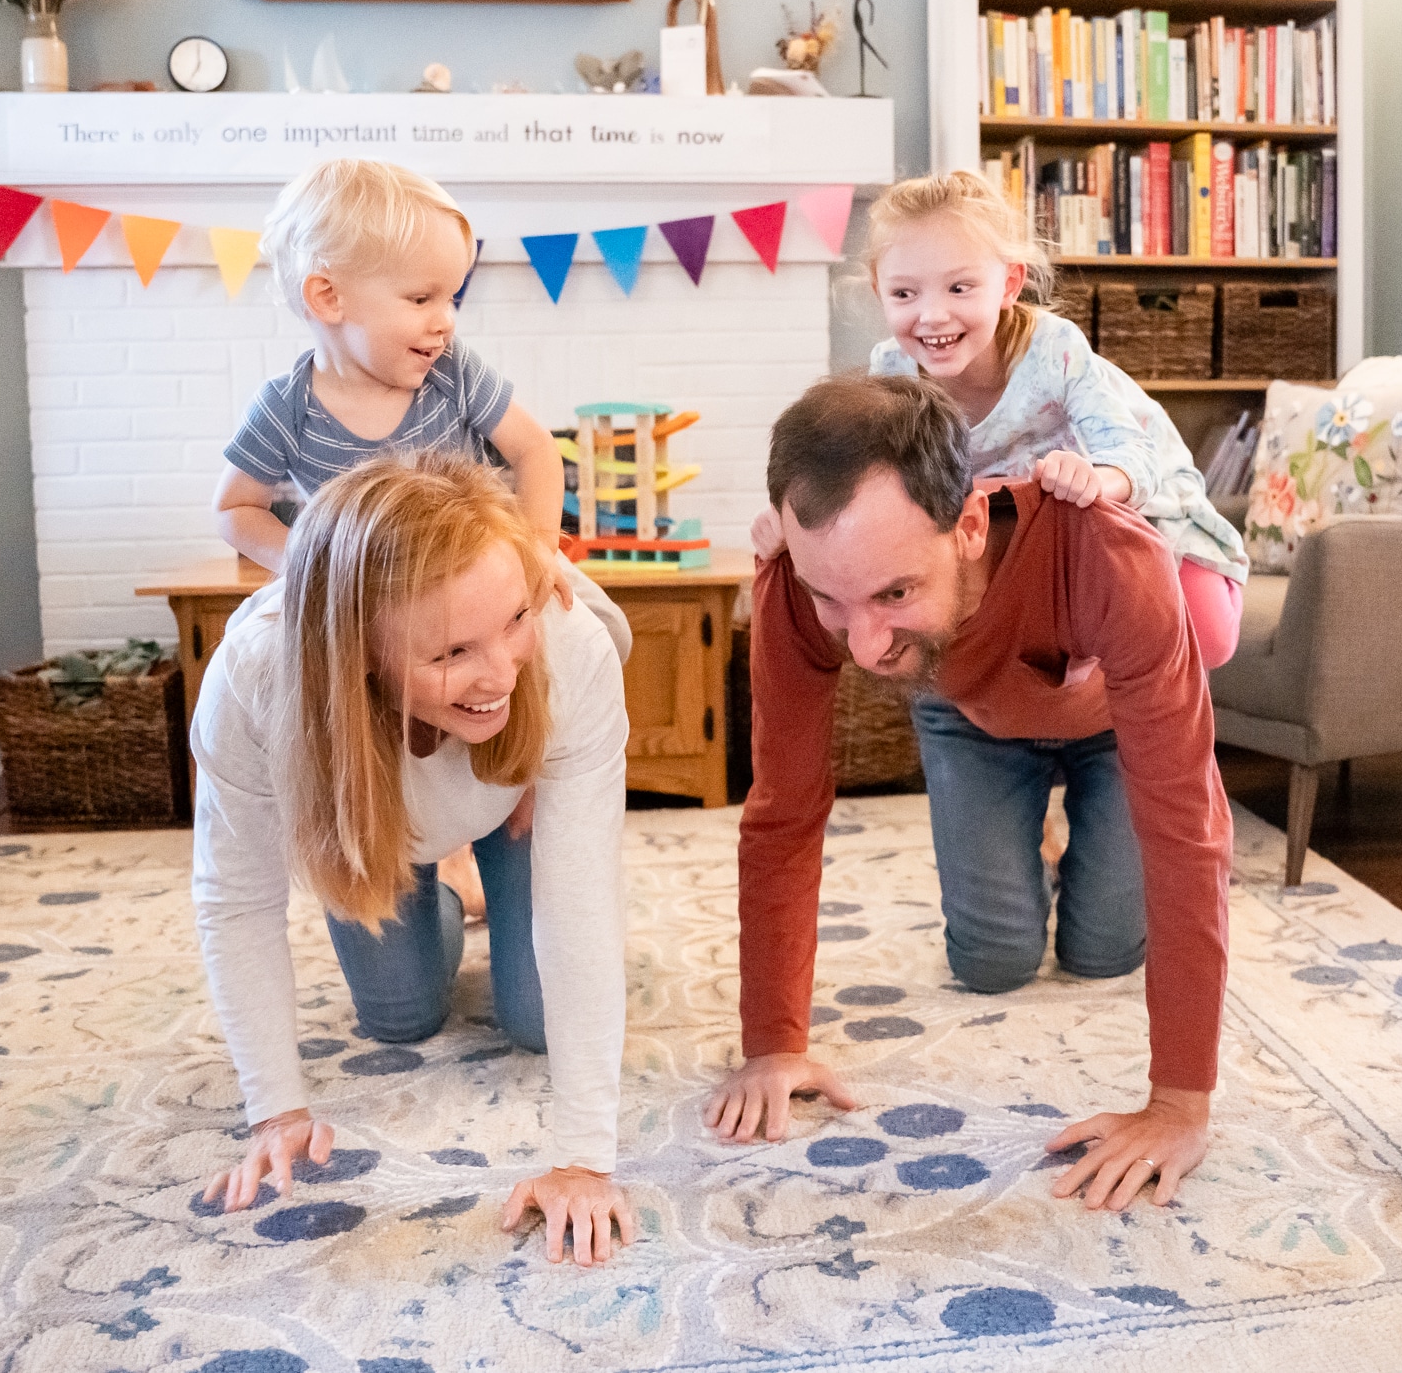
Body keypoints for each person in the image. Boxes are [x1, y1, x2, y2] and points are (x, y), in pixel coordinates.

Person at [706, 372, 1232, 1216]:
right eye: (832, 598)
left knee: (1102, 947)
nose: (866, 646)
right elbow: (783, 814)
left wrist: (1179, 1103)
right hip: (971, 717)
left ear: (971, 526)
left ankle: (1073, 828)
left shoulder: (1110, 555)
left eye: (895, 593)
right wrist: (773, 1043)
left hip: (1113, 731)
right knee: (994, 958)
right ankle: (1029, 834)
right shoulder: (794, 588)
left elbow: (1188, 831)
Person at [190, 452, 633, 1267]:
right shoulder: (253, 682)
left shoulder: (567, 647)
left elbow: (583, 903)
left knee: (538, 1019)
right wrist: (276, 1110)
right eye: (452, 652)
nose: (500, 672)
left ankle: (481, 860)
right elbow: (236, 900)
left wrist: (583, 1159)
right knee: (400, 1016)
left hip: (511, 795)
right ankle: (448, 883)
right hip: (379, 821)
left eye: (514, 619)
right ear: (362, 651)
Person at [211, 156, 630, 917]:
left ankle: (528, 772)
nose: (445, 320)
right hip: (381, 619)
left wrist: (537, 549)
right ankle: (426, 849)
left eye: (451, 297)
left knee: (599, 631)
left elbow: (536, 452)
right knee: (334, 698)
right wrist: (316, 566)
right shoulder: (287, 408)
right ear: (328, 296)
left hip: (481, 591)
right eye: (421, 298)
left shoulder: (453, 374)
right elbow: (235, 508)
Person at [750, 169, 1247, 668]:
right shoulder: (892, 371)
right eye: (904, 294)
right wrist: (790, 518)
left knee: (1210, 639)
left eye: (959, 288)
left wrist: (1095, 478)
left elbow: (1135, 454)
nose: (932, 315)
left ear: (1009, 284)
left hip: (1121, 496)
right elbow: (853, 472)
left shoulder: (1053, 351)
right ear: (880, 290)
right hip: (1008, 519)